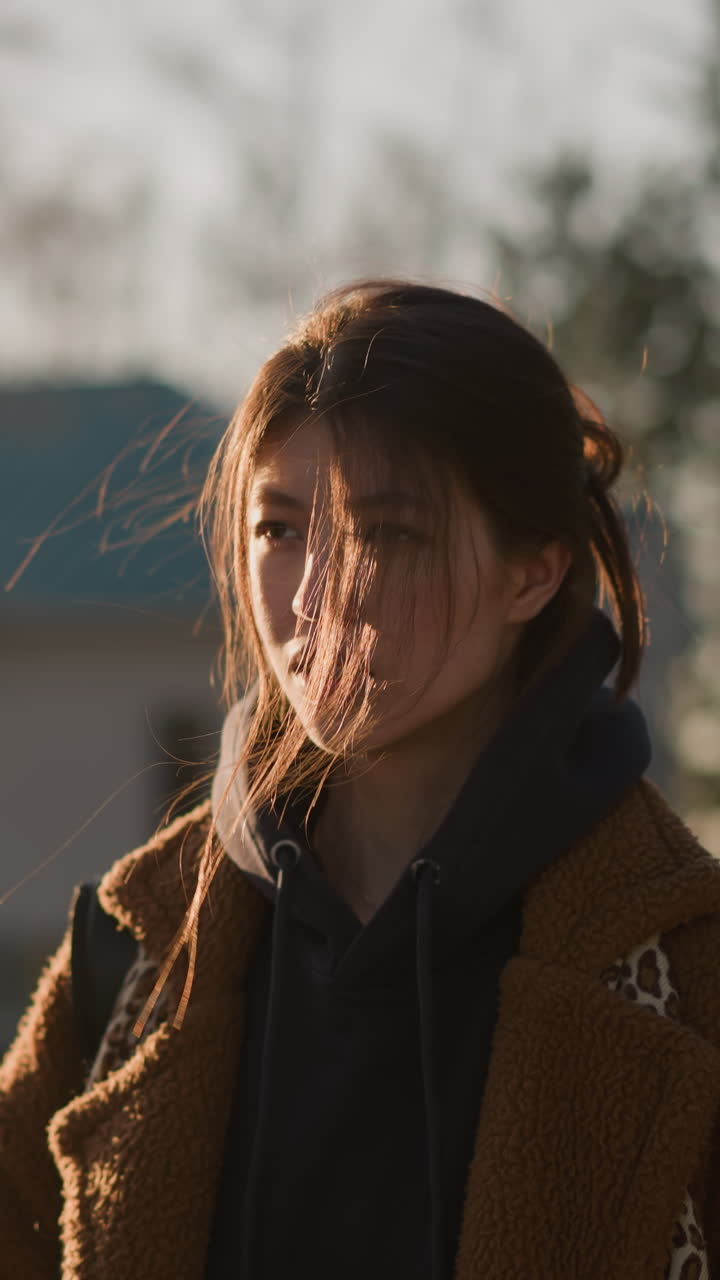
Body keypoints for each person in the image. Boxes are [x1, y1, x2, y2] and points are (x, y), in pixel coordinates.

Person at [2, 280, 720, 1280]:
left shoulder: (688, 971)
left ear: (533, 571)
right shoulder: (134, 958)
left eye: (388, 532)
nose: (320, 597)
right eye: (281, 527)